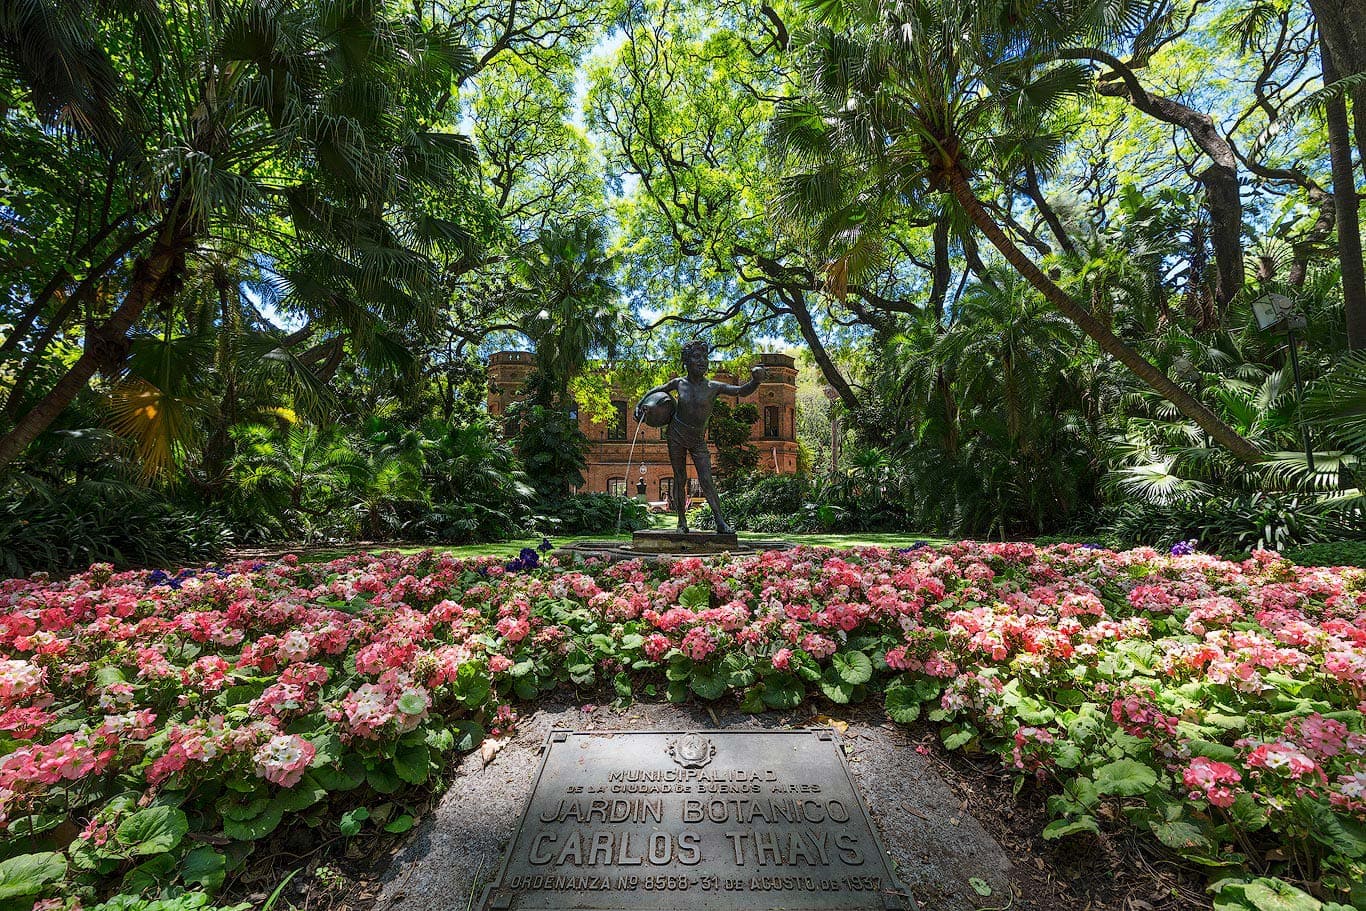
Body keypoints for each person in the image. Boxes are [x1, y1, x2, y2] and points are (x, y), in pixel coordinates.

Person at [635, 341, 764, 534]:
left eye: (704, 357)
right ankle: (681, 522)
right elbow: (654, 391)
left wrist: (755, 381)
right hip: (676, 434)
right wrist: (639, 406)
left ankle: (720, 522)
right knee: (680, 478)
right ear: (686, 361)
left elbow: (740, 391)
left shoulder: (713, 386)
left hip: (697, 438)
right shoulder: (679, 383)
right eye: (696, 357)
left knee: (706, 479)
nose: (702, 361)